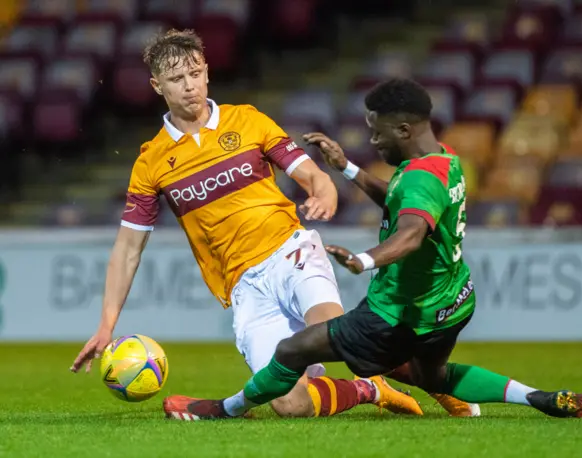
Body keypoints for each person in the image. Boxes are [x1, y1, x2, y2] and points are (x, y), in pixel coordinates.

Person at [69, 30, 473, 419]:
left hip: (291, 252)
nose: (189, 85)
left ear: (207, 71)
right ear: (158, 86)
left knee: (346, 340)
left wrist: (323, 193)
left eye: (195, 73)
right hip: (244, 286)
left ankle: (438, 386)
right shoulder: (151, 162)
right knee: (289, 404)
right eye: (177, 79)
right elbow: (127, 250)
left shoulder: (248, 121)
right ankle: (370, 389)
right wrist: (107, 326)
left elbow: (311, 175)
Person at [162, 78, 582, 420]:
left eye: (377, 134)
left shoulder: (417, 178)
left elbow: (411, 233)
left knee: (292, 351)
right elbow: (403, 204)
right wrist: (348, 168)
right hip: (453, 303)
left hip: (395, 309)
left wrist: (364, 260)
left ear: (403, 127)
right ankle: (539, 398)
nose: (373, 141)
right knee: (429, 374)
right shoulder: (442, 162)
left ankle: (220, 408)